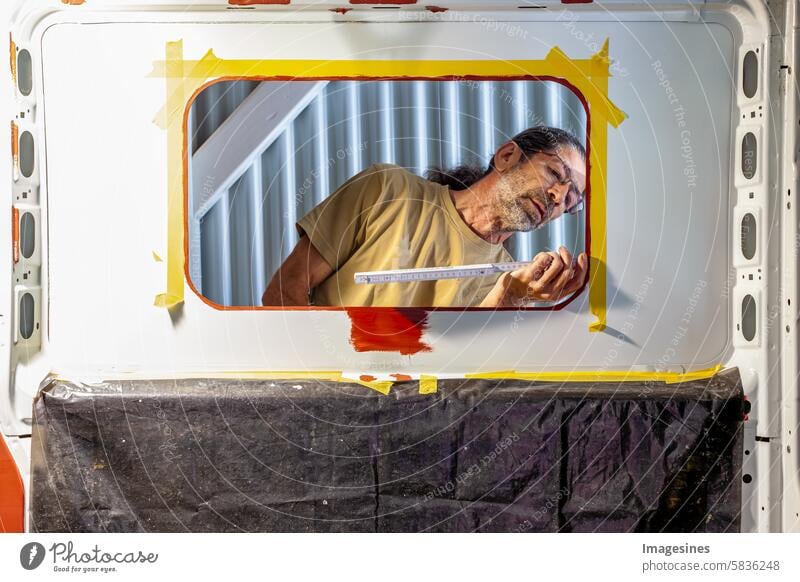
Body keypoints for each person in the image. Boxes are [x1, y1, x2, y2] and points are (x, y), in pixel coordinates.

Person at [262, 126, 588, 308]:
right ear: (507, 156)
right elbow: (283, 292)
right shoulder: (386, 190)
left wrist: (514, 296)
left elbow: (472, 374)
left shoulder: (507, 280)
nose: (558, 196)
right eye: (554, 173)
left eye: (571, 198)